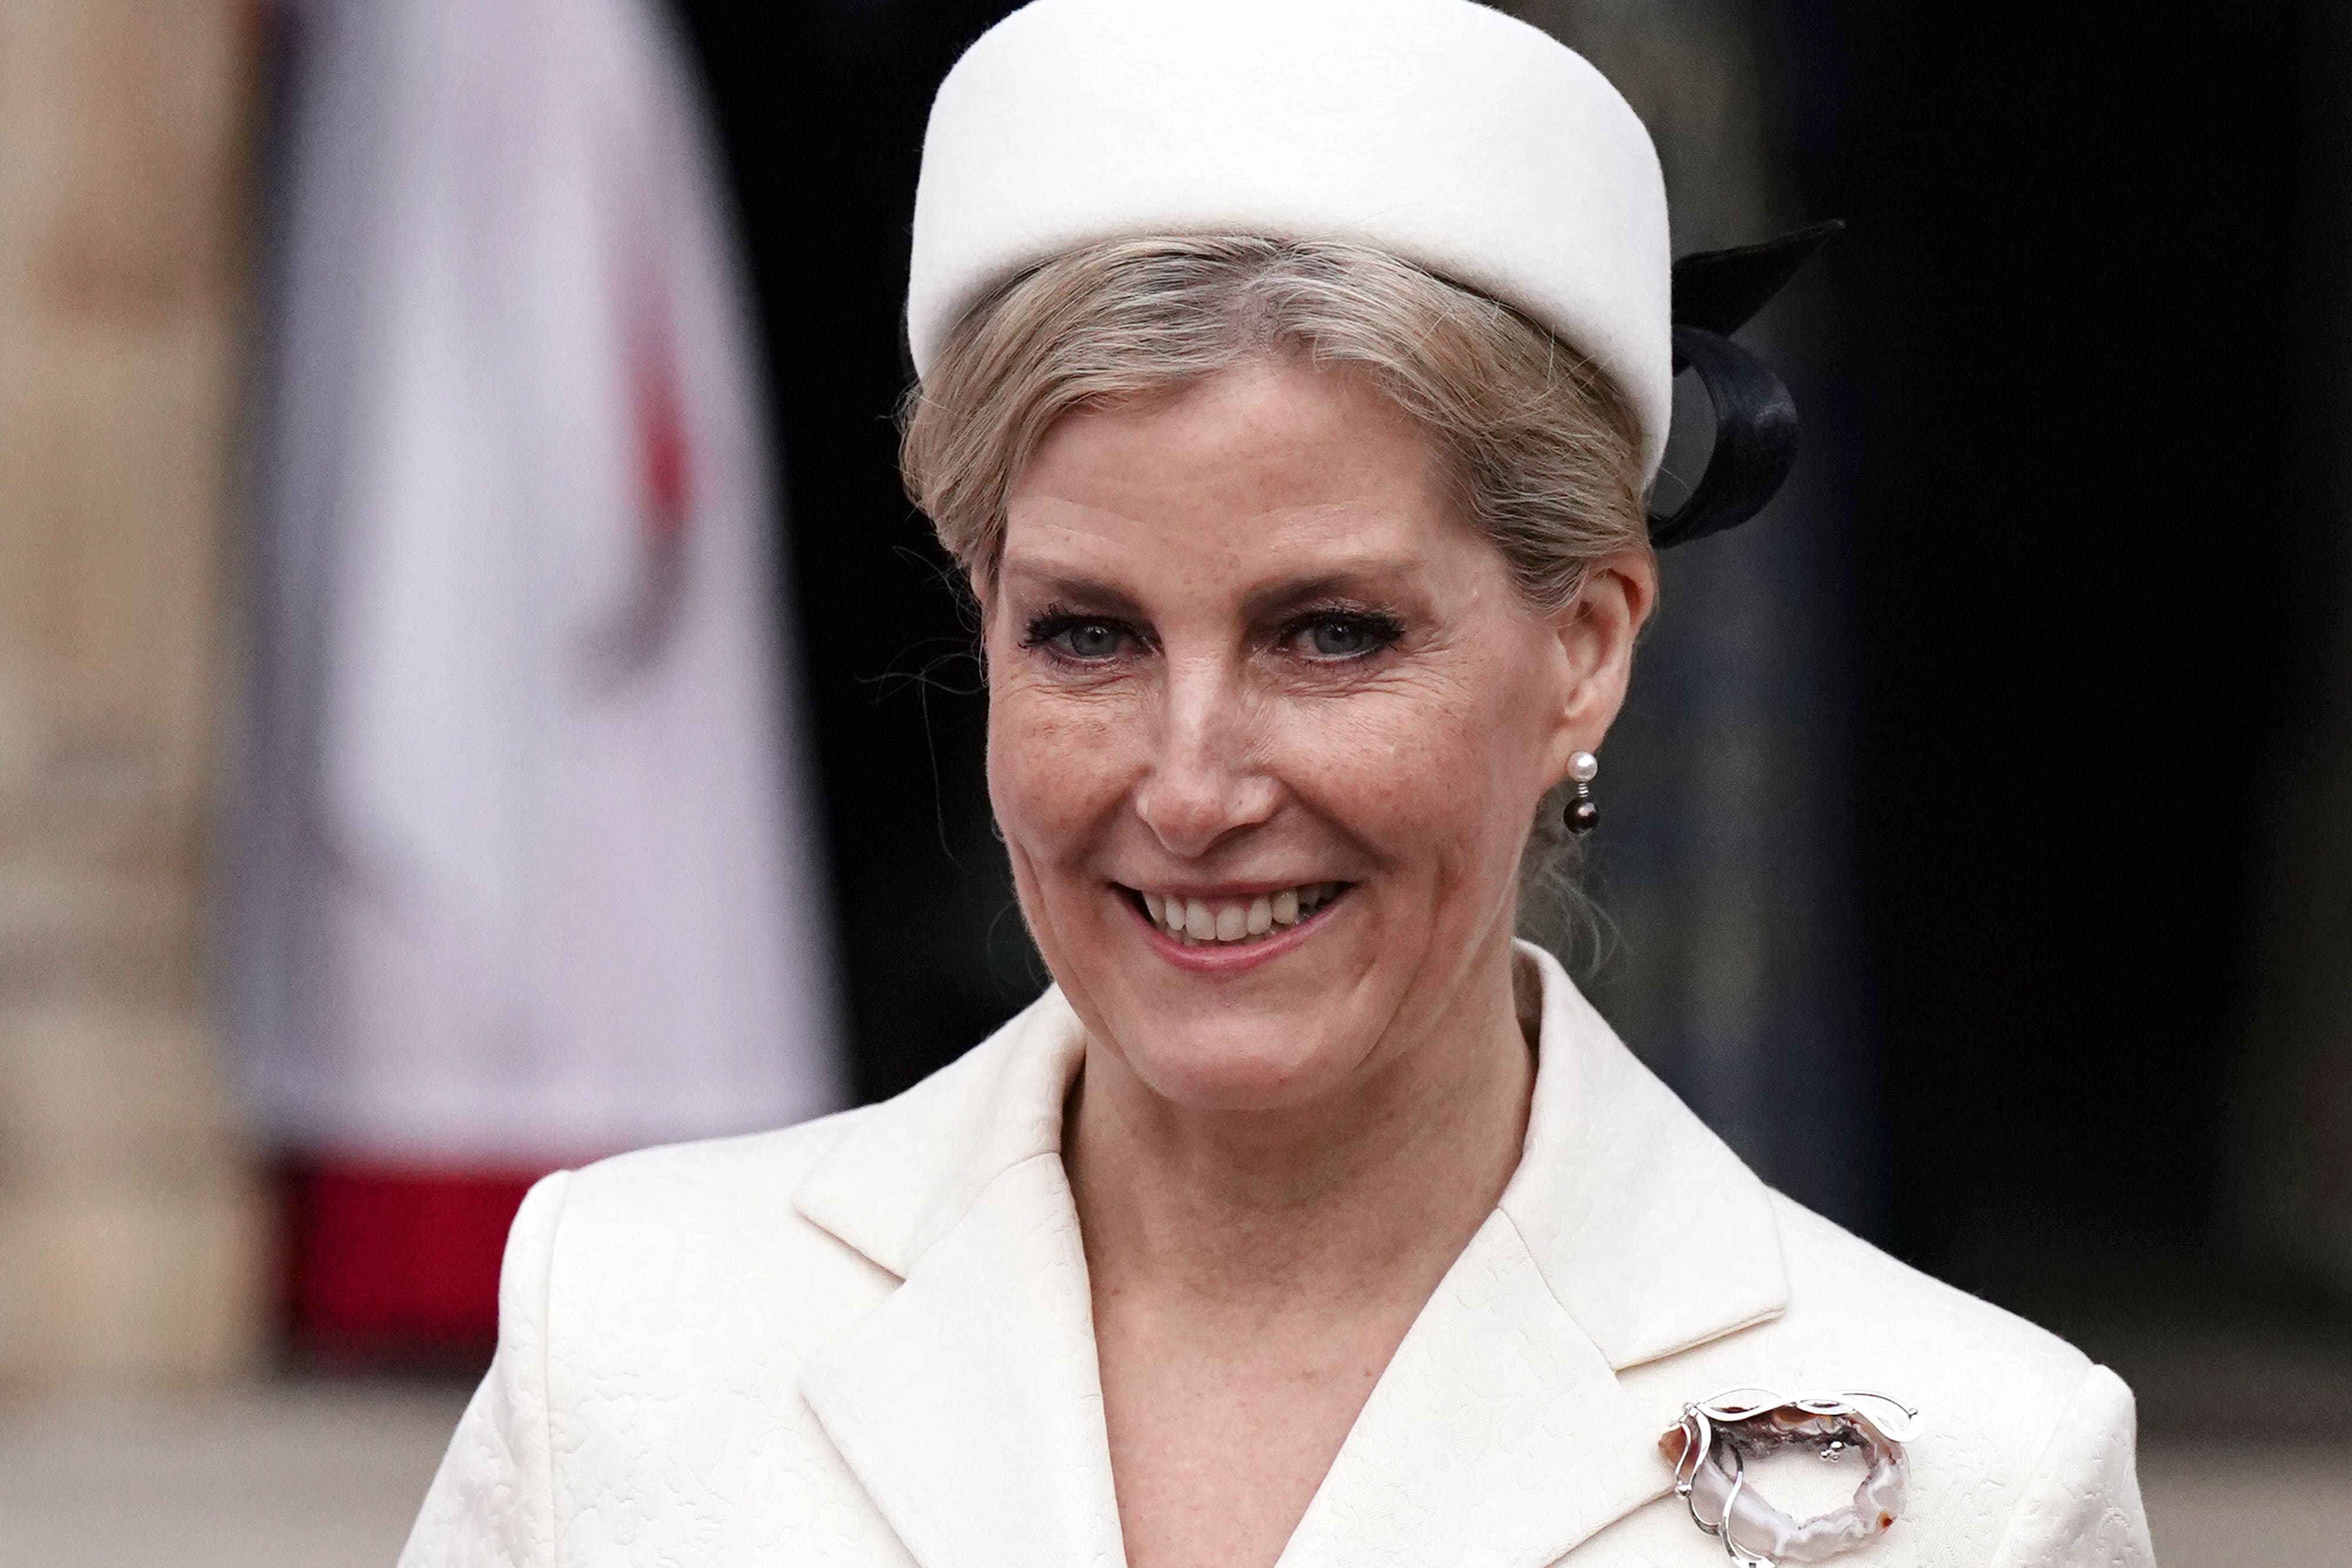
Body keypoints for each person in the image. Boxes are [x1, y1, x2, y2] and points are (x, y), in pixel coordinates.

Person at [399, 2, 2156, 1564]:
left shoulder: (1971, 1480)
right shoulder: (626, 1337)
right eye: (1087, 636)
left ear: (1586, 646)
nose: (1190, 785)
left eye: (1328, 634)